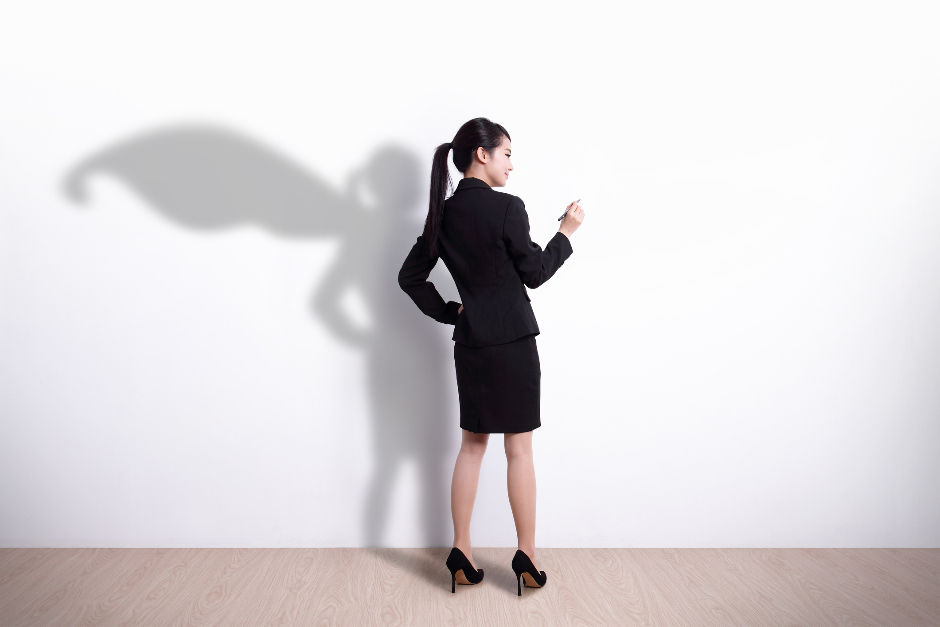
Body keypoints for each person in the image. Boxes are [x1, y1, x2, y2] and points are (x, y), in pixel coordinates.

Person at [397, 117, 584, 595]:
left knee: (472, 448)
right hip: (515, 343)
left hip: (474, 343)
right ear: (481, 154)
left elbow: (409, 277)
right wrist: (566, 231)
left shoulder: (443, 215)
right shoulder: (507, 208)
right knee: (518, 450)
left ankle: (461, 549)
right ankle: (527, 556)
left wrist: (451, 312)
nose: (511, 165)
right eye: (506, 154)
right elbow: (536, 272)